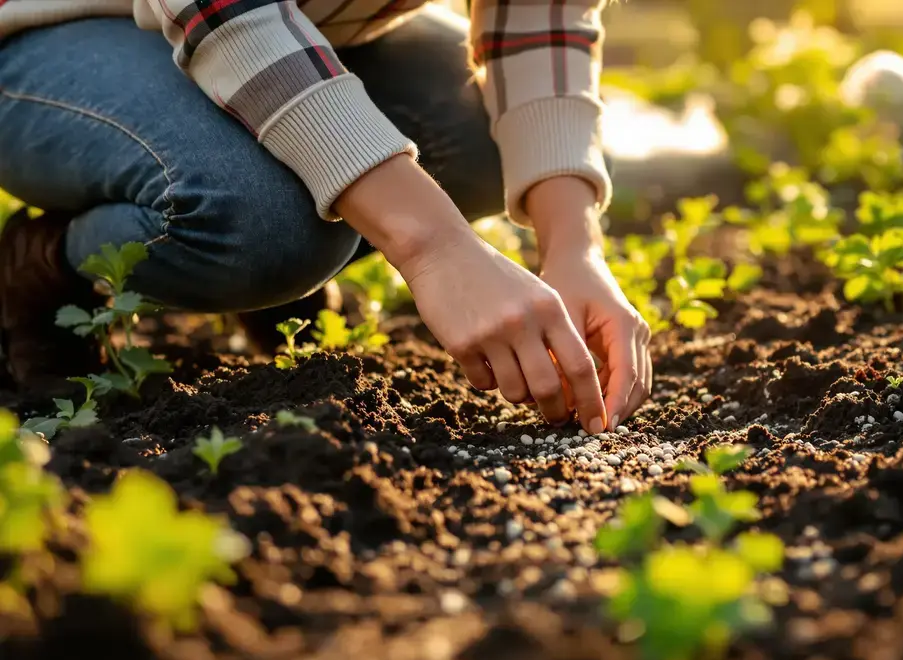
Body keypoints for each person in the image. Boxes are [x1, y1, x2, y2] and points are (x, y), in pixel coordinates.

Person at [0, 0, 652, 434]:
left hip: (308, 28)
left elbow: (539, 17)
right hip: (52, 28)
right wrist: (433, 245)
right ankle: (39, 265)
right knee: (260, 222)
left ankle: (276, 284)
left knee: (491, 140)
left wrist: (573, 242)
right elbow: (223, 8)